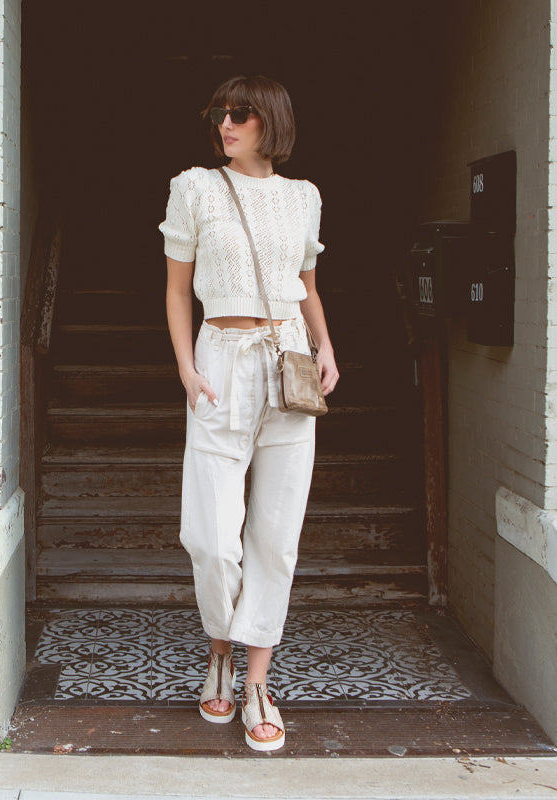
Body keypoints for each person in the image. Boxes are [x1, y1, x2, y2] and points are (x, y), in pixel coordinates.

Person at [159, 74, 338, 752]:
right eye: (220, 115)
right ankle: (220, 649)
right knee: (210, 536)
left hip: (289, 358)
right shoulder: (195, 188)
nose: (226, 125)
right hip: (221, 362)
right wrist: (185, 365)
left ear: (273, 122)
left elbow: (307, 287)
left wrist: (327, 347)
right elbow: (178, 291)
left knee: (277, 534)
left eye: (242, 114)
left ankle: (256, 679)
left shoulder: (303, 197)